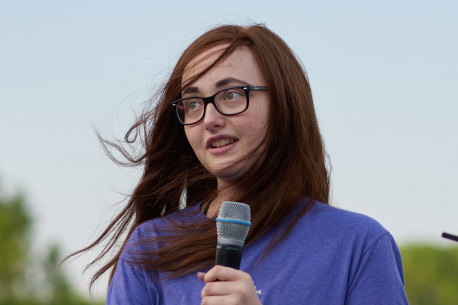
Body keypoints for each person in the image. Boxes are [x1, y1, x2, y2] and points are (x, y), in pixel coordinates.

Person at [72, 24, 409, 304]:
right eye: (192, 103)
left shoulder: (359, 245)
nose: (209, 118)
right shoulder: (151, 247)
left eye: (231, 95)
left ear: (284, 105)